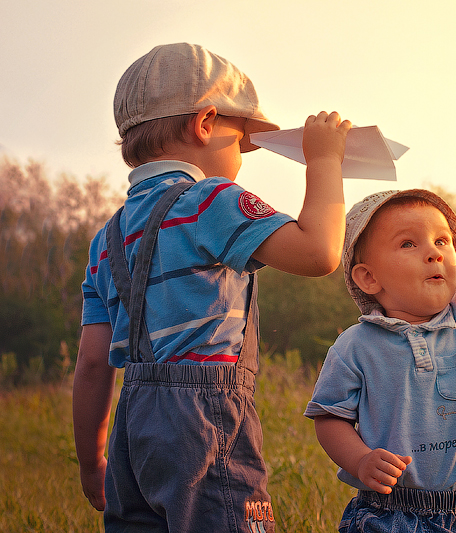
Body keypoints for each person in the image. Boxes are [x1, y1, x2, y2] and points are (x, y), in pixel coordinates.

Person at [72, 42, 351, 533]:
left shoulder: (107, 239)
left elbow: (93, 364)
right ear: (204, 124)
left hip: (132, 429)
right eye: (240, 141)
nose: (243, 158)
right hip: (204, 419)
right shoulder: (210, 200)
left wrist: (92, 462)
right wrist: (324, 161)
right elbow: (319, 253)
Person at [304, 177, 456, 532]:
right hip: (388, 513)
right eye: (408, 243)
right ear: (368, 277)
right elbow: (330, 417)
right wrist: (361, 460)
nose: (434, 251)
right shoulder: (356, 345)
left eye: (443, 241)